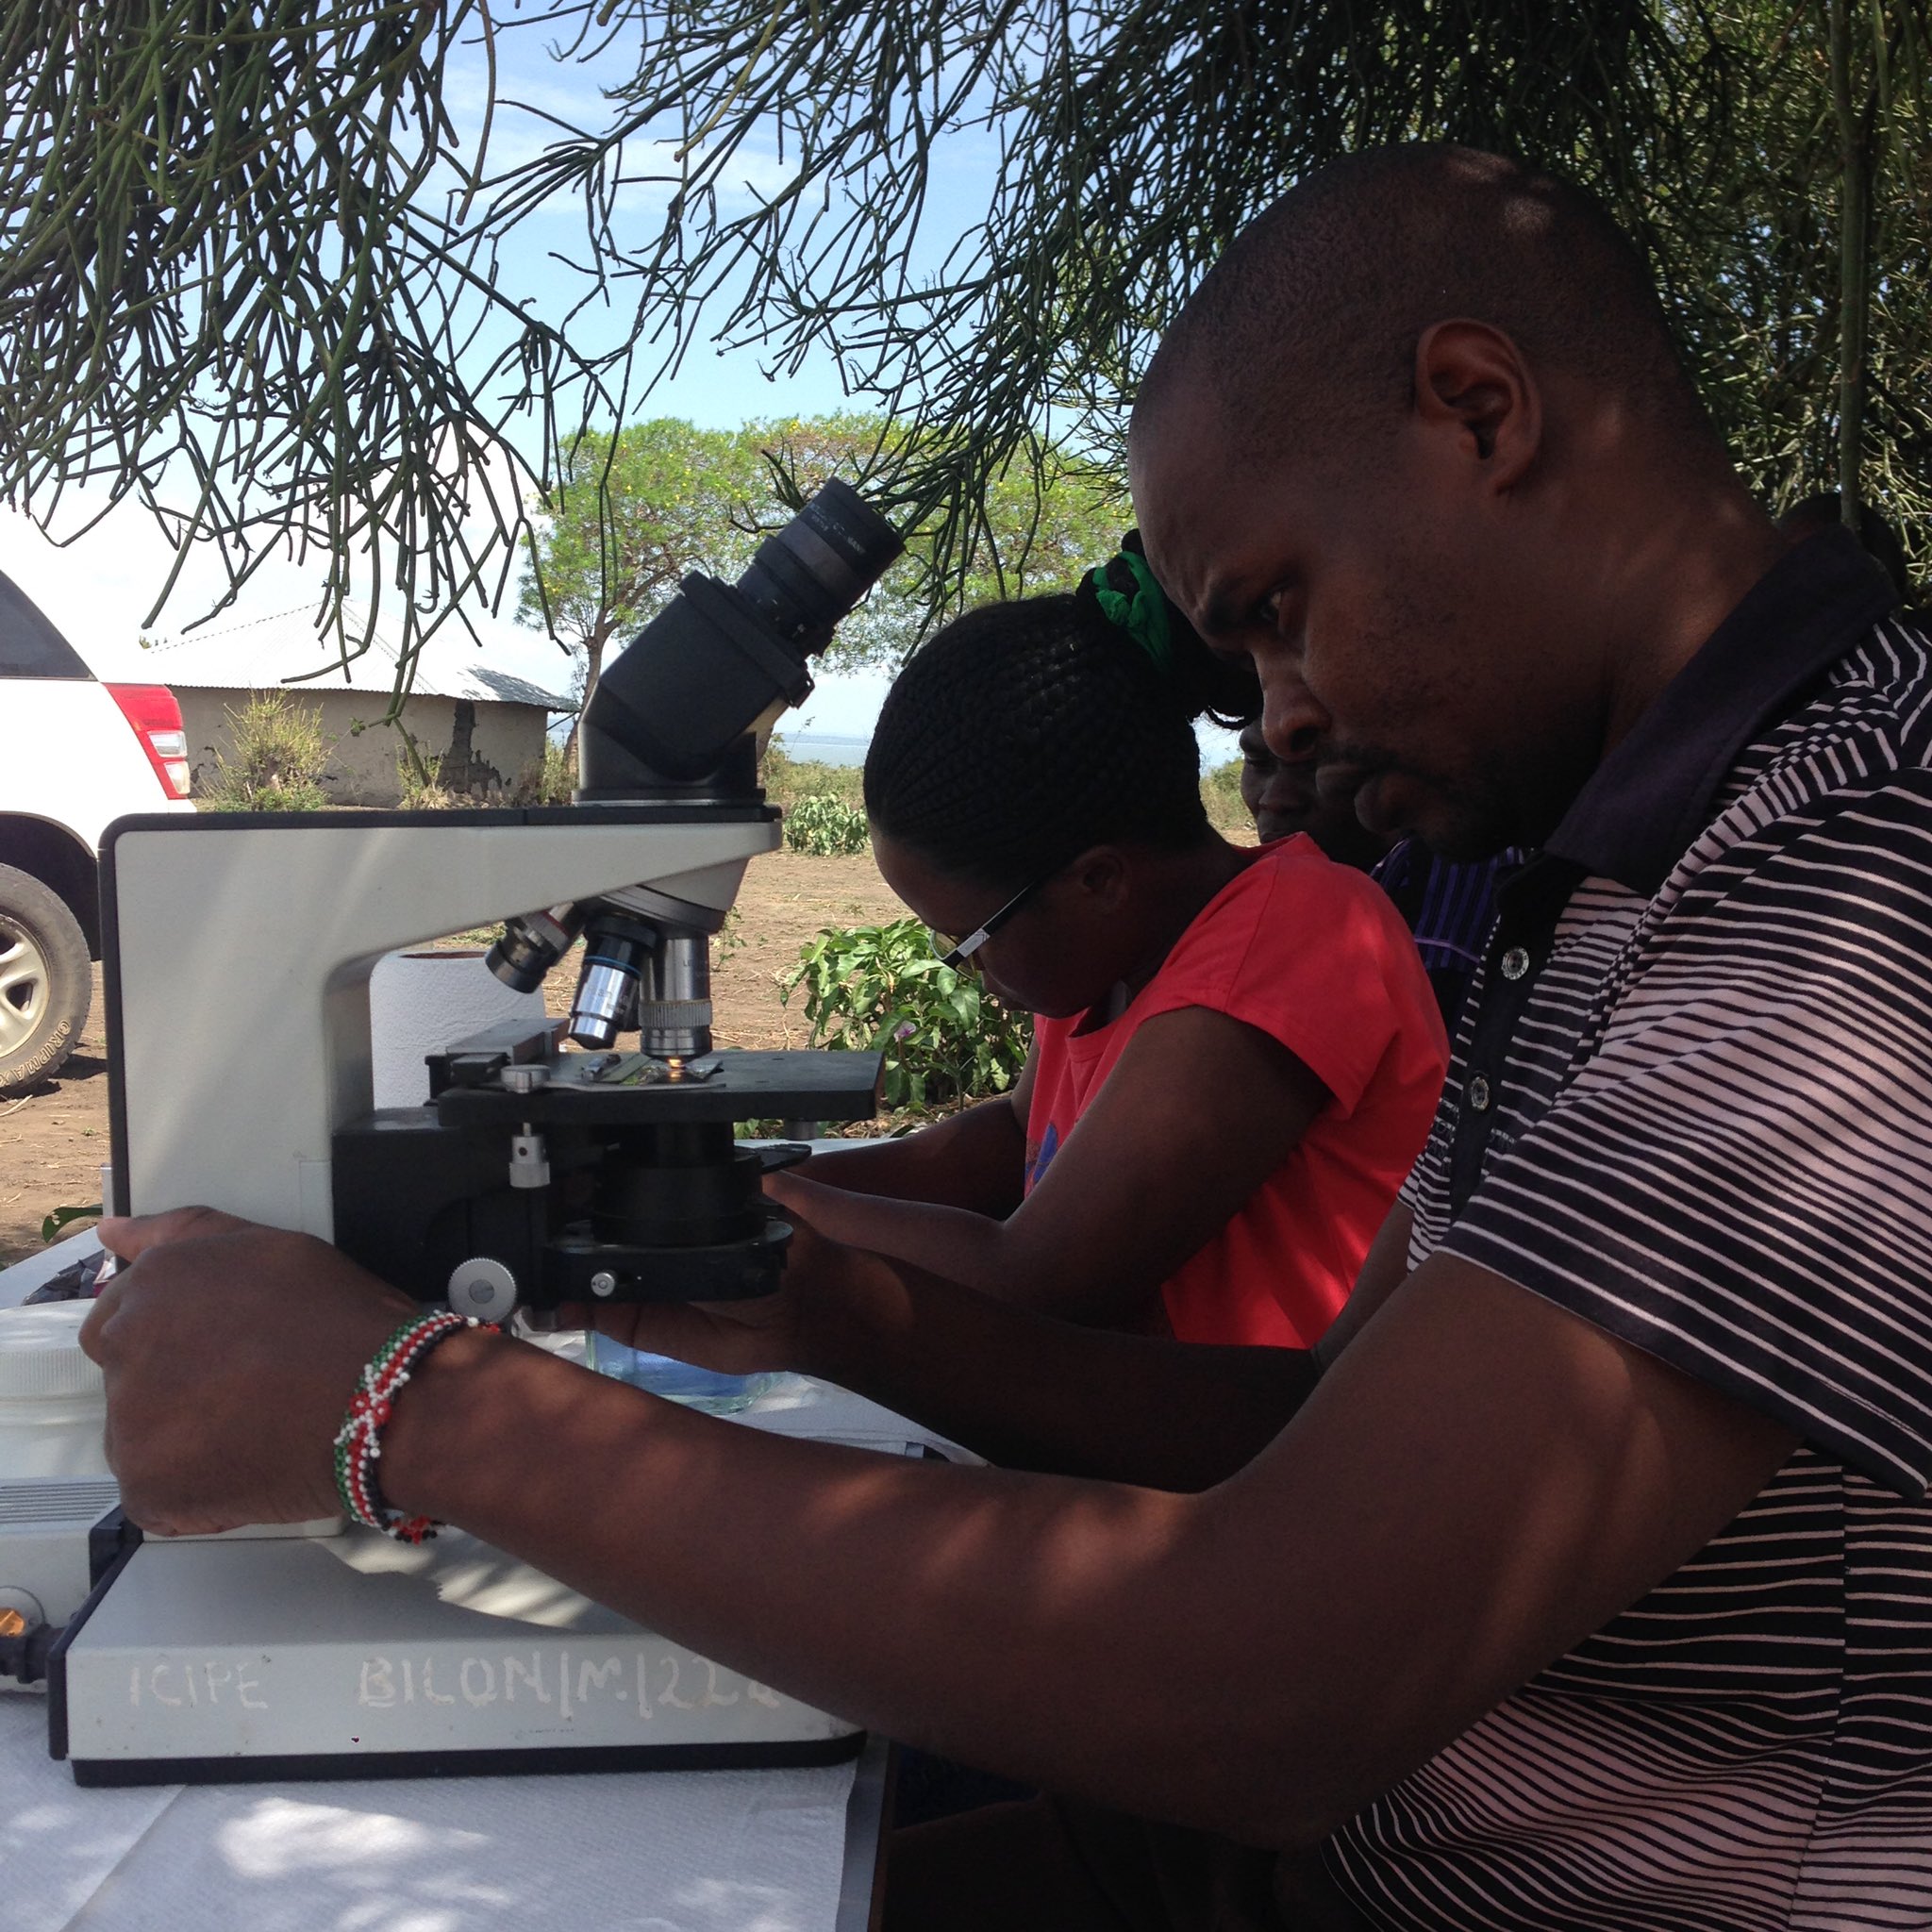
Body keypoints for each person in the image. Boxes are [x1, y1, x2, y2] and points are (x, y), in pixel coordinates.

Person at [81, 143, 1932, 1929]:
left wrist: (414, 1410)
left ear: (1477, 409)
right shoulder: (1604, 865)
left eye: (1276, 616)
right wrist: (827, 1308)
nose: (1281, 718)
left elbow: (1284, 1675)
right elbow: (1319, 1433)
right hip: (1351, 1855)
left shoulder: (1859, 877)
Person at [768, 562, 1447, 1346]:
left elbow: (1044, 1279)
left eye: (972, 940)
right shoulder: (1109, 962)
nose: (974, 971)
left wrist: (760, 1213)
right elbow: (1010, 1139)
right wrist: (765, 1179)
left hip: (1292, 1451)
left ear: (1097, 880)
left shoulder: (1296, 933)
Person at [1235, 710, 1517, 1030]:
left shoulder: (1450, 896)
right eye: (1258, 762)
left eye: (1312, 766)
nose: (1274, 799)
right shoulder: (1259, 897)